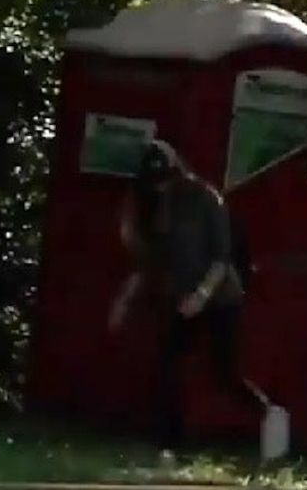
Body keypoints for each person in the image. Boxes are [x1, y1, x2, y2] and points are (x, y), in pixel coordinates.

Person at [108, 139, 268, 454]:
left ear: (177, 172)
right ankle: (170, 444)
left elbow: (222, 259)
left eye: (165, 179)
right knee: (167, 363)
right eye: (154, 182)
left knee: (223, 372)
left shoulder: (206, 199)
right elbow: (151, 259)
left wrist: (200, 296)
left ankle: (270, 417)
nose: (161, 187)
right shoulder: (154, 205)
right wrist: (124, 300)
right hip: (183, 299)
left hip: (220, 297)